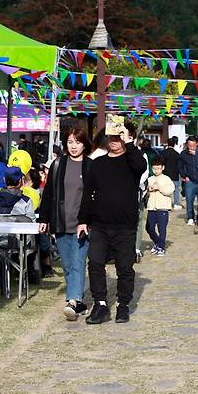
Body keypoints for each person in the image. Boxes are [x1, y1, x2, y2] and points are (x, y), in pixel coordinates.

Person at [78, 121, 147, 324]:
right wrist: (83, 220)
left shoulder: (132, 160)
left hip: (124, 225)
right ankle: (100, 304)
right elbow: (87, 194)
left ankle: (123, 304)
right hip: (99, 224)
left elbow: (141, 166)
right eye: (112, 137)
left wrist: (128, 141)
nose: (115, 141)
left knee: (124, 267)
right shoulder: (98, 163)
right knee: (96, 263)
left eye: (119, 137)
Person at [39, 127, 93, 320]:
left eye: (77, 142)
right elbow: (48, 194)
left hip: (83, 224)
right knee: (68, 265)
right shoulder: (58, 164)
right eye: (70, 142)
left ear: (84, 144)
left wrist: (88, 220)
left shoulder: (90, 166)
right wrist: (43, 219)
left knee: (78, 262)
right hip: (60, 222)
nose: (74, 146)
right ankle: (78, 303)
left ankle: (72, 300)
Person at [146, 156, 175, 257]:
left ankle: (161, 247)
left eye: (158, 168)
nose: (156, 170)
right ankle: (158, 242)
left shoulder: (166, 179)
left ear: (163, 168)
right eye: (154, 168)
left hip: (162, 207)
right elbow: (145, 192)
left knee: (162, 229)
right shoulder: (149, 179)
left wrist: (159, 188)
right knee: (149, 228)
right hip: (151, 208)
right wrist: (148, 190)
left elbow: (170, 190)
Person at [179, 136, 198, 226]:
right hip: (189, 180)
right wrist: (184, 176)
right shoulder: (183, 154)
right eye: (189, 145)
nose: (191, 147)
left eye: (193, 145)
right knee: (189, 200)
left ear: (197, 144)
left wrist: (196, 154)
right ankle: (190, 217)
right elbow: (180, 166)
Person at [161, 139, 182, 210]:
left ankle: (166, 204)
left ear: (167, 144)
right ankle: (176, 204)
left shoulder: (163, 153)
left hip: (165, 174)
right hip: (175, 174)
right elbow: (179, 165)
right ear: (174, 144)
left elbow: (161, 163)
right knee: (176, 189)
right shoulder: (177, 154)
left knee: (165, 190)